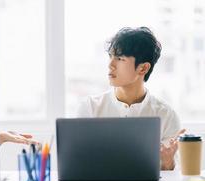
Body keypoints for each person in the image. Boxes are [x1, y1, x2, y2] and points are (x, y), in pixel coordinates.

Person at [77, 27, 185, 170]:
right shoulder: (90, 107)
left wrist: (167, 163)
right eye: (111, 57)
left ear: (143, 68)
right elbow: (80, 165)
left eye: (120, 58)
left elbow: (171, 179)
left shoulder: (167, 115)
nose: (110, 65)